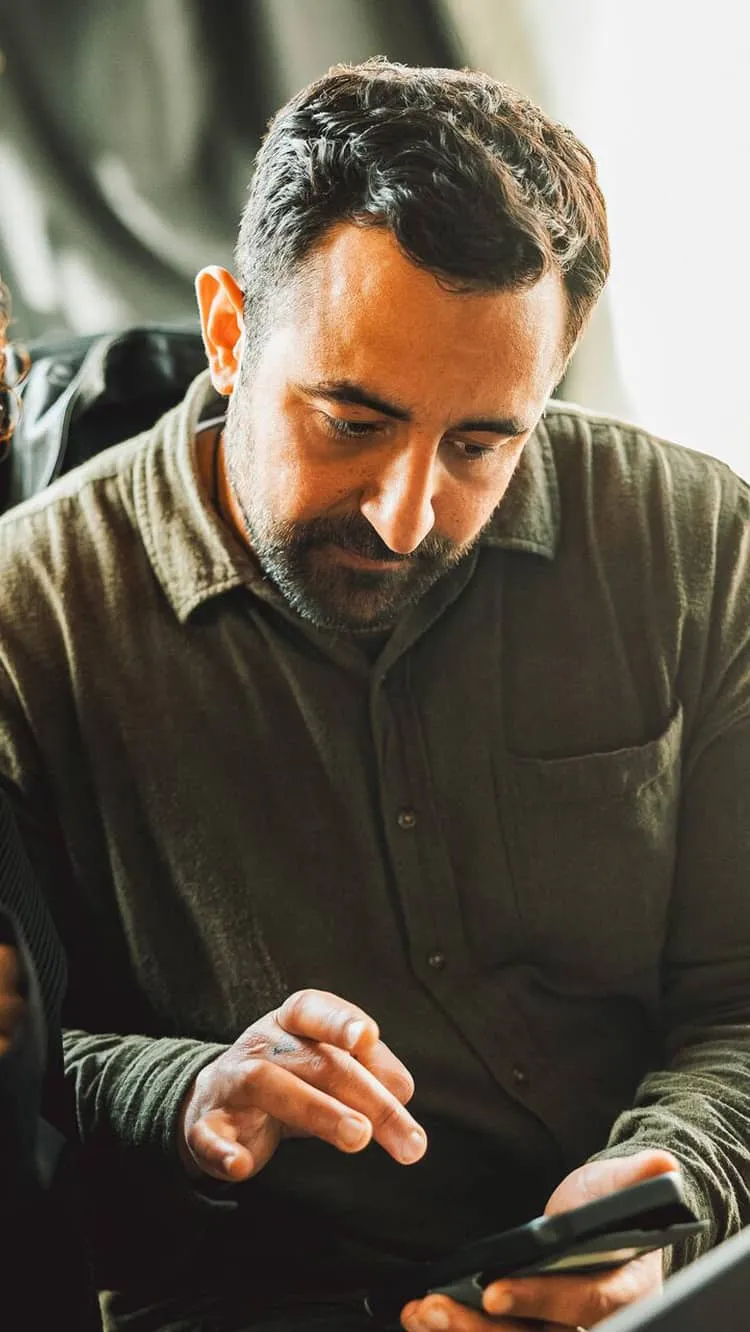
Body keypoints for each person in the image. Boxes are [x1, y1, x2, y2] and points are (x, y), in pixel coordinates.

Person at [0, 57, 749, 1332]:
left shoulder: (696, 542)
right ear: (231, 332)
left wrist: (670, 1196)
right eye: (351, 419)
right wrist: (183, 1093)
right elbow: (21, 1083)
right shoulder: (32, 616)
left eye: (482, 444)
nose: (408, 517)